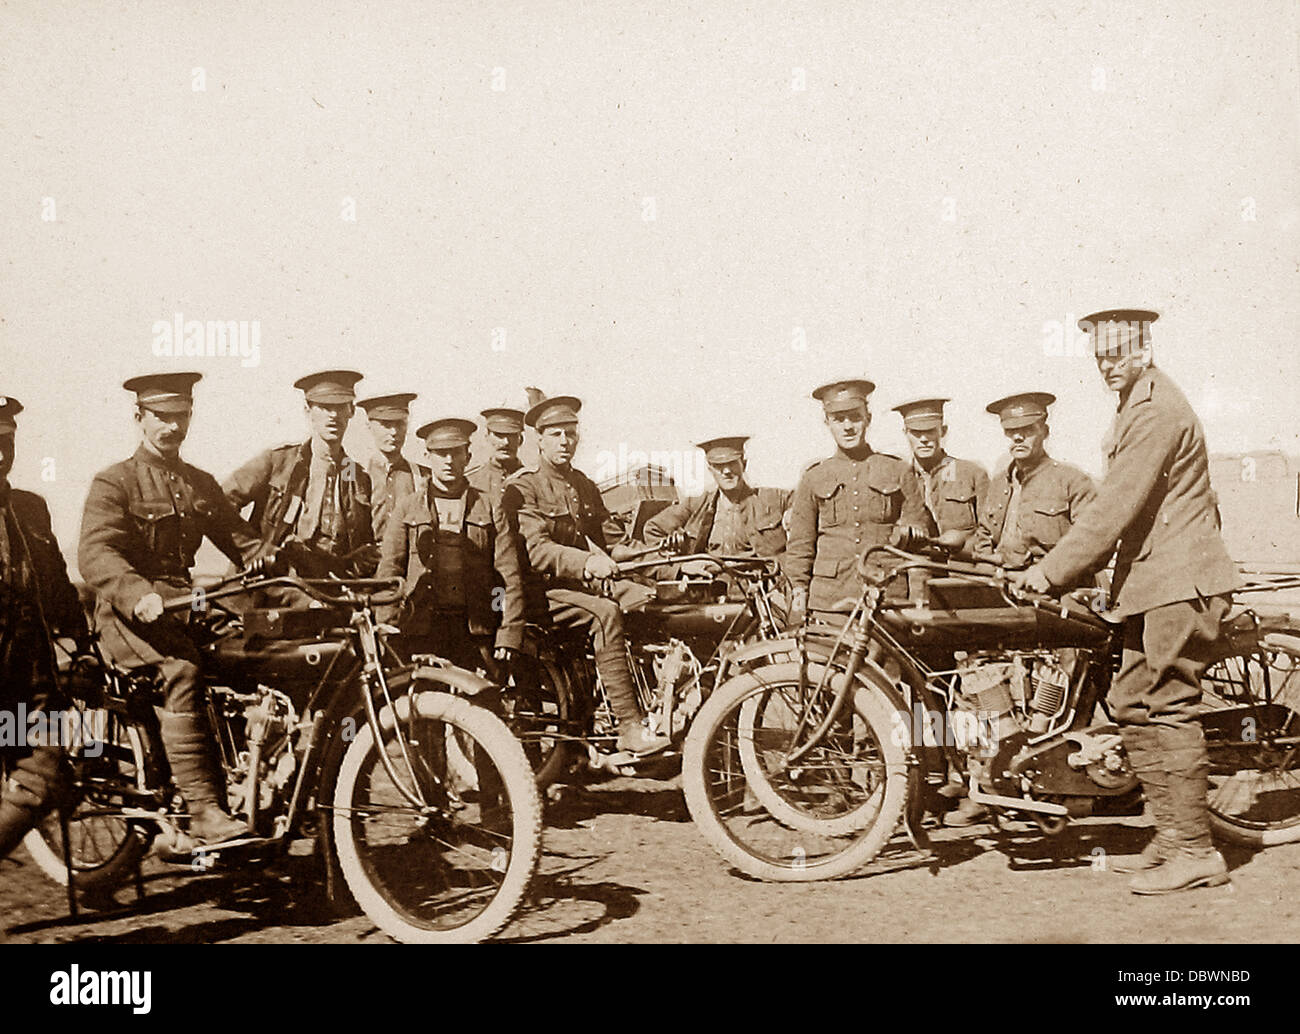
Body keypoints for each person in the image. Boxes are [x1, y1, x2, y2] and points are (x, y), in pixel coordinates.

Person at [1016, 308, 1240, 894]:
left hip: (1178, 578)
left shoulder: (1156, 408)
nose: (1108, 366)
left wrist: (1052, 571)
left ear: (1144, 347)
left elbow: (1114, 504)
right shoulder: (1136, 402)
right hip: (1152, 580)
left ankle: (1195, 850)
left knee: (1167, 705)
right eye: (1099, 358)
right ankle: (1170, 838)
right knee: (1131, 702)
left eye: (1118, 355)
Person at [78, 373, 258, 844]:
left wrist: (283, 565)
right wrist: (138, 596)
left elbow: (244, 543)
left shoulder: (199, 482)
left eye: (181, 416)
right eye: (162, 416)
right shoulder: (113, 481)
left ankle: (251, 779)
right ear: (139, 418)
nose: (172, 426)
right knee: (182, 670)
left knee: (256, 649)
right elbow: (96, 554)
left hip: (185, 604)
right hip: (128, 617)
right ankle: (203, 811)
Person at [501, 395, 671, 758]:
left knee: (652, 600)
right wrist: (587, 564)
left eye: (572, 434)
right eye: (557, 434)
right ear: (539, 439)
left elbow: (615, 542)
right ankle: (628, 726)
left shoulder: (582, 484)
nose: (566, 441)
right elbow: (537, 551)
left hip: (578, 587)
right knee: (604, 613)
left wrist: (664, 558)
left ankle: (656, 701)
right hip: (540, 592)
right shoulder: (524, 487)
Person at [0, 396, 88, 858]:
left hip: (27, 677)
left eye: (6, 442)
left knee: (41, 776)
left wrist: (81, 640)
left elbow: (56, 587)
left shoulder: (31, 508)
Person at [377, 417, 525, 677]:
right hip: (422, 631)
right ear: (427, 456)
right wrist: (388, 630)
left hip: (476, 632)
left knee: (481, 707)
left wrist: (507, 634)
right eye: (441, 453)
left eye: (455, 452)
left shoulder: (489, 506)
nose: (448, 461)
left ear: (467, 456)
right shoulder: (408, 507)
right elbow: (390, 573)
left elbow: (506, 575)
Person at [784, 378, 930, 621]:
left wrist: (918, 599)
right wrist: (799, 600)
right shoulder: (814, 477)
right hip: (830, 603)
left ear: (868, 418)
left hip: (887, 600)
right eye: (838, 419)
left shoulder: (898, 471)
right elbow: (800, 547)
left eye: (855, 417)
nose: (848, 426)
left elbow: (917, 545)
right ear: (827, 423)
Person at [223, 370, 377, 578]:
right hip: (275, 581)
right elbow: (218, 503)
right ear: (307, 410)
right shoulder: (279, 461)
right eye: (324, 407)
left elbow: (363, 537)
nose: (333, 415)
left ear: (351, 411)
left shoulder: (356, 475)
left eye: (340, 407)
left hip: (331, 586)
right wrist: (254, 550)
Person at [970, 392, 1095, 568]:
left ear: (1045, 432)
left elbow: (1088, 544)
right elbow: (984, 534)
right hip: (997, 579)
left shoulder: (1072, 481)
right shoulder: (999, 483)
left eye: (1028, 430)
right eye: (1011, 431)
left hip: (1046, 583)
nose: (1018, 437)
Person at [642, 435, 791, 566]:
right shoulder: (695, 505)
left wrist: (791, 515)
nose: (727, 471)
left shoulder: (774, 499)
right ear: (710, 469)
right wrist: (681, 562)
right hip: (712, 587)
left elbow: (804, 506)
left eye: (732, 463)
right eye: (719, 466)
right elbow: (653, 529)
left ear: (743, 464)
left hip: (761, 586)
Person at [890, 398, 988, 546]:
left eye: (930, 431)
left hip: (963, 566)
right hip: (916, 565)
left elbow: (989, 531)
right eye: (916, 432)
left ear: (943, 431)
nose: (923, 439)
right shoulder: (896, 479)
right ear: (905, 433)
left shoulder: (971, 474)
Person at [358, 391, 424, 543]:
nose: (393, 432)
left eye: (400, 424)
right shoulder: (355, 471)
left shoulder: (422, 475)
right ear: (369, 426)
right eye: (386, 425)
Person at [468, 405, 526, 508]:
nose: (505, 442)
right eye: (499, 435)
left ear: (520, 440)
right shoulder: (471, 482)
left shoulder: (532, 480)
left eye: (511, 435)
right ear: (487, 438)